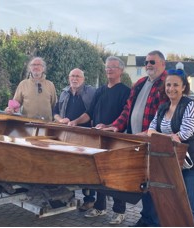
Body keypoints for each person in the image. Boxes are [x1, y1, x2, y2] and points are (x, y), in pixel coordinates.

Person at [100, 50, 168, 226]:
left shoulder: (167, 84)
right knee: (144, 182)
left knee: (155, 185)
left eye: (152, 62)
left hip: (155, 143)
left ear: (163, 64)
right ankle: (147, 218)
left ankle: (153, 221)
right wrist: (115, 126)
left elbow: (164, 116)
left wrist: (149, 133)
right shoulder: (139, 83)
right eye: (146, 62)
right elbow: (127, 111)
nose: (148, 65)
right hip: (138, 142)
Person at [68, 56, 131, 225]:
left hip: (116, 140)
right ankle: (100, 207)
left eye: (113, 67)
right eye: (107, 67)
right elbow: (88, 113)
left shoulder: (126, 91)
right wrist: (75, 121)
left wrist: (110, 126)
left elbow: (125, 116)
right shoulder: (100, 90)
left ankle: (119, 211)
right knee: (98, 175)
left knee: (115, 177)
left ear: (121, 71)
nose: (109, 70)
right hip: (97, 139)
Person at [147, 63, 194, 226]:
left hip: (193, 163)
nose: (171, 88)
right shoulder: (163, 107)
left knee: (189, 205)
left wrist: (161, 137)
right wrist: (167, 136)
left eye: (175, 85)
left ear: (183, 87)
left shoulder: (190, 105)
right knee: (172, 202)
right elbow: (150, 131)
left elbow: (184, 134)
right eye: (168, 84)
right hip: (173, 162)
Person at [53, 68, 96, 211]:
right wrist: (60, 120)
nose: (75, 79)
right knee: (67, 166)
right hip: (66, 135)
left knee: (86, 168)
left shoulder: (90, 92)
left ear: (83, 79)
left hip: (85, 136)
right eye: (72, 76)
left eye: (78, 76)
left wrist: (76, 121)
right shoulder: (64, 92)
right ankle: (67, 196)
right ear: (68, 78)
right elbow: (55, 111)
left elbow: (92, 112)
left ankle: (89, 199)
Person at [5, 57, 57, 121]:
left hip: (46, 125)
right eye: (33, 65)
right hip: (26, 124)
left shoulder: (50, 85)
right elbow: (15, 104)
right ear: (30, 68)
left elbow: (54, 105)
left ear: (43, 68)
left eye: (38, 65)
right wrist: (10, 109)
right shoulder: (23, 84)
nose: (36, 67)